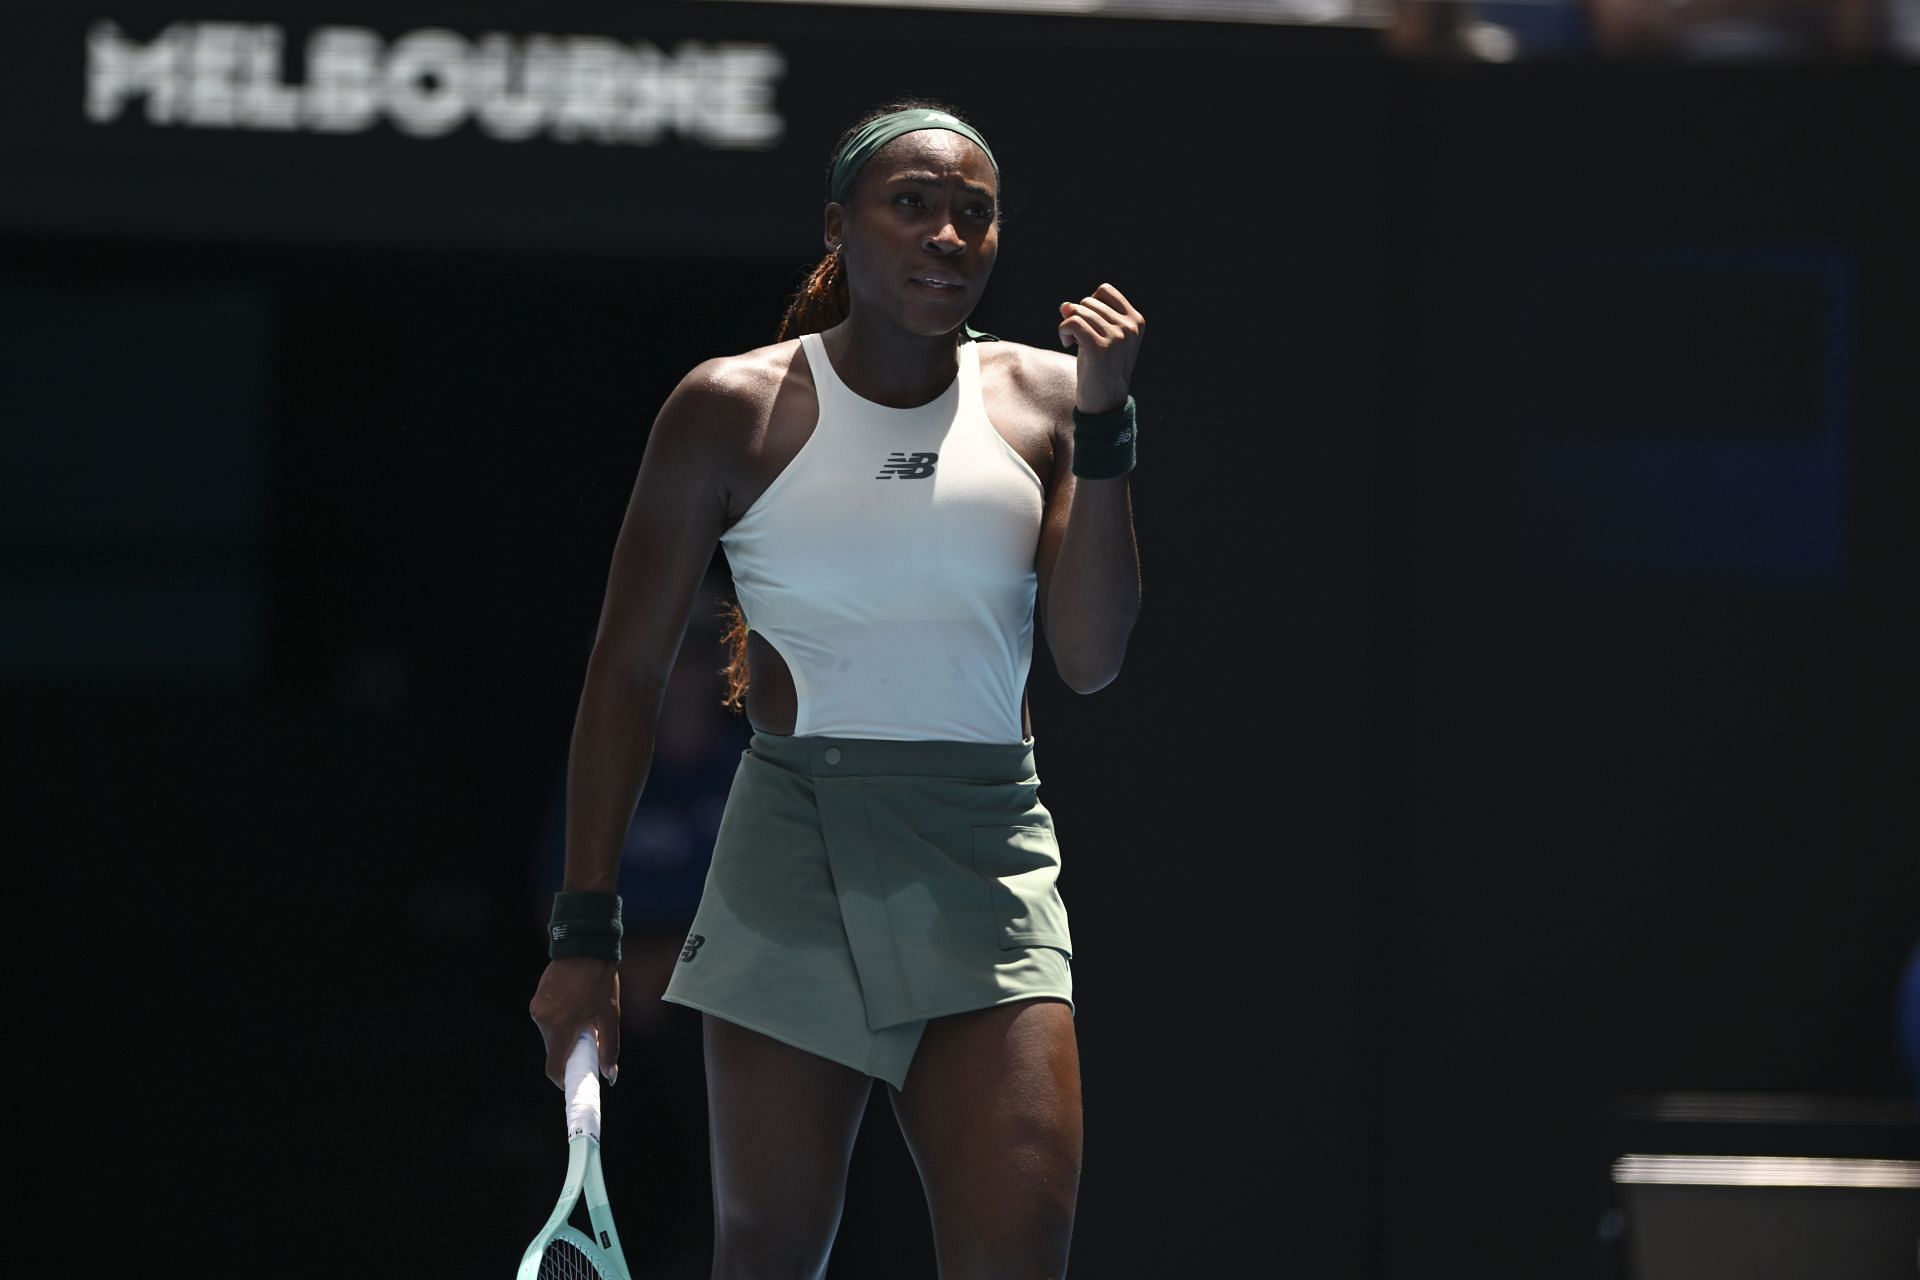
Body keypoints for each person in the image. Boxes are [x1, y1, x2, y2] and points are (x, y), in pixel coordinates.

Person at [526, 95, 1145, 1279]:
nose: (948, 236)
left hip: (984, 850)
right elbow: (624, 671)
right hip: (789, 847)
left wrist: (1111, 429)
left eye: (975, 214)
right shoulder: (727, 409)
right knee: (767, 1257)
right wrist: (586, 935)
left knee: (1021, 1252)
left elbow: (1089, 656)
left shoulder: (1057, 402)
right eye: (912, 205)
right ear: (837, 226)